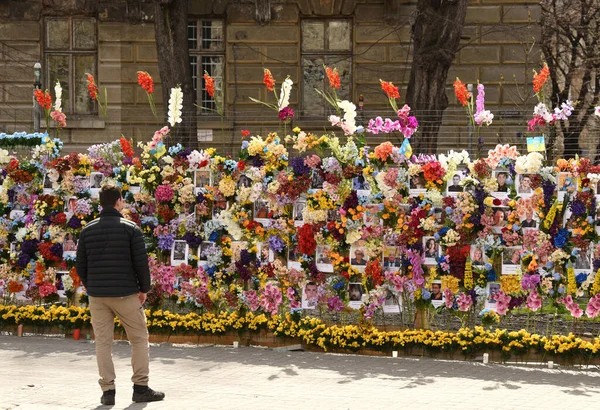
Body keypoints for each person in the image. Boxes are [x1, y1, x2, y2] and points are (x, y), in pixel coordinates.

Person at [76, 185, 164, 405]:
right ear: (118, 202)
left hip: (98, 296)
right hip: (125, 294)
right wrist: (144, 289)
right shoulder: (130, 229)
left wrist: (92, 286)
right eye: (122, 200)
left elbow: (81, 266)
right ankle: (140, 388)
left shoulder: (87, 230)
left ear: (100, 203)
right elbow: (141, 263)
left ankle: (108, 392)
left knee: (103, 343)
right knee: (139, 339)